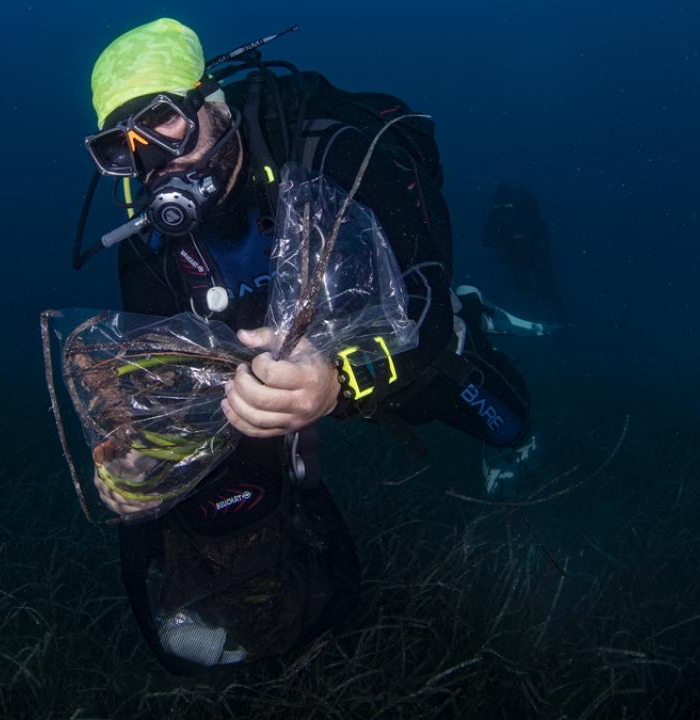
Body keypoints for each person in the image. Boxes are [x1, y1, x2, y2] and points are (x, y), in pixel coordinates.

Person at [73, 18, 538, 672]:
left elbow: (420, 311)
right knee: (217, 478)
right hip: (267, 365)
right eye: (122, 148)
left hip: (381, 334)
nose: (154, 160)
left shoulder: (338, 149)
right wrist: (142, 457)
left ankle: (479, 322)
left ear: (213, 103)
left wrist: (339, 383)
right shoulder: (152, 247)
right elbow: (163, 380)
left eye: (162, 120)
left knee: (503, 423)